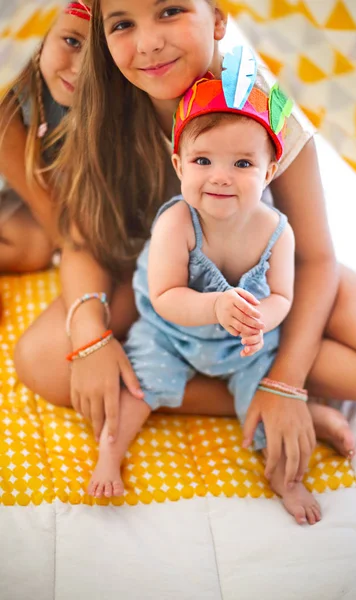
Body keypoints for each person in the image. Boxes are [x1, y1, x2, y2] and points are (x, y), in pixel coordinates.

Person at [14, 0, 356, 516]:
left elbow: (313, 256)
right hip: (162, 281)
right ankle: (252, 404)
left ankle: (273, 393)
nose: (148, 41)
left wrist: (285, 377)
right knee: (42, 360)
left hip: (256, 280)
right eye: (123, 23)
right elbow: (82, 238)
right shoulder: (105, 104)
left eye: (169, 11)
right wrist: (89, 338)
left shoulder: (266, 105)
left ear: (218, 17)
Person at [85, 60, 321, 525]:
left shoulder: (278, 232)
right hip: (170, 333)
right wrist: (216, 304)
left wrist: (261, 321)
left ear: (270, 170)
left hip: (244, 348)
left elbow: (282, 297)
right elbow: (167, 295)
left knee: (267, 409)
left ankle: (287, 478)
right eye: (202, 161)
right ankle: (109, 455)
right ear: (178, 164)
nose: (220, 176)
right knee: (135, 386)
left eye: (242, 163)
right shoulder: (177, 223)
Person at [0, 1, 91, 275]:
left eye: (102, 57)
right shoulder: (13, 66)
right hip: (20, 182)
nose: (81, 70)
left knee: (36, 246)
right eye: (72, 41)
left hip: (17, 196)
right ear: (43, 36)